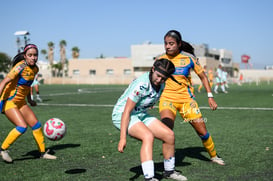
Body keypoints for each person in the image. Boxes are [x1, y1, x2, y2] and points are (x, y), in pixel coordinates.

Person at [156, 30, 225, 166]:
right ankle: (169, 167)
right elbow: (154, 80)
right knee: (167, 131)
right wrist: (152, 98)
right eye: (165, 43)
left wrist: (210, 96)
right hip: (167, 100)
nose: (167, 46)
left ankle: (213, 155)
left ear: (179, 44)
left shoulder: (189, 58)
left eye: (171, 43)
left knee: (202, 132)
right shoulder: (160, 60)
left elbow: (203, 77)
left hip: (187, 101)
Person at [112, 58, 187, 181]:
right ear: (153, 69)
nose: (159, 80)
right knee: (148, 136)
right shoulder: (141, 85)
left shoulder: (161, 84)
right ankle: (149, 177)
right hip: (122, 115)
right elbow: (126, 111)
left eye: (163, 78)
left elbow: (151, 98)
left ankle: (169, 171)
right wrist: (122, 138)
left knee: (169, 135)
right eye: (158, 76)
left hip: (140, 113)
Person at [0, 44, 56, 163]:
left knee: (36, 125)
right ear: (25, 56)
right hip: (8, 101)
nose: (33, 58)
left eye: (35, 55)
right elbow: (3, 82)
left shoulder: (35, 69)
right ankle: (3, 150)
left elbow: (27, 86)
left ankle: (42, 153)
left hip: (21, 102)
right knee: (22, 127)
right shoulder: (19, 67)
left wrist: (30, 100)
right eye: (30, 55)